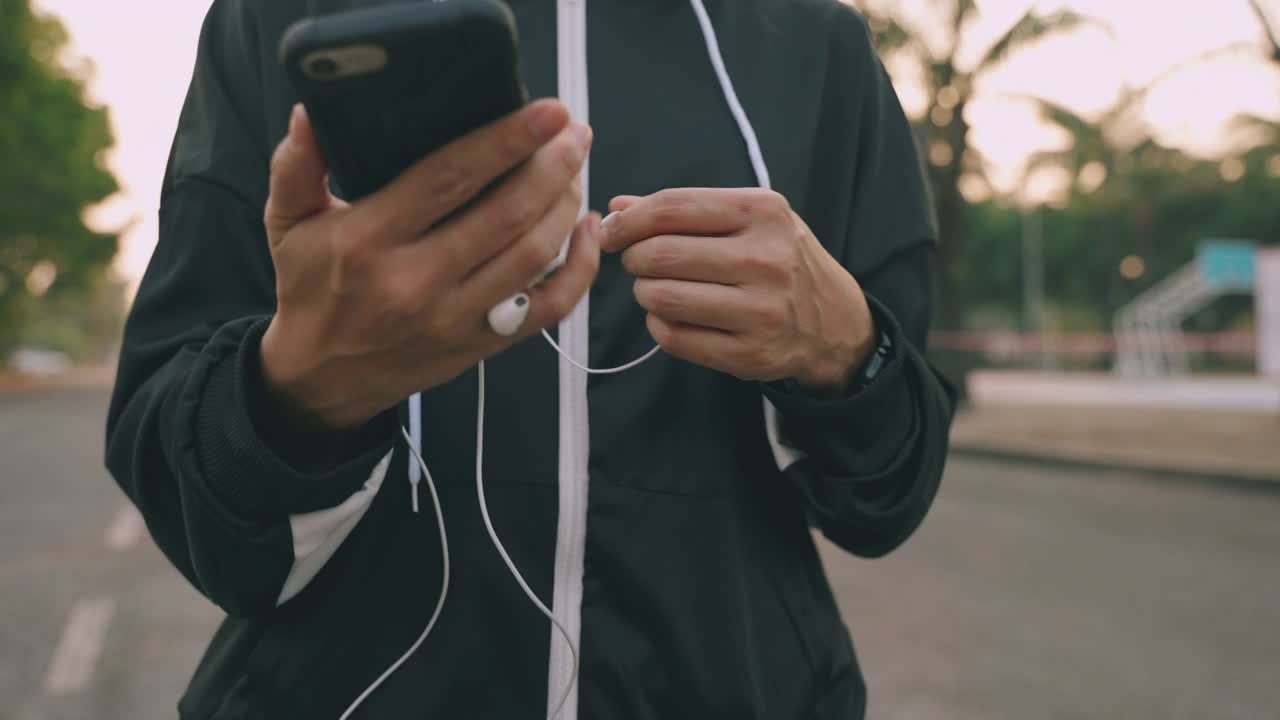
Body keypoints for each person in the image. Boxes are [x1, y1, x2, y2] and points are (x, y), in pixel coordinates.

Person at [105, 0, 956, 717]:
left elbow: (889, 495)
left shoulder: (813, 44)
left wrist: (849, 355)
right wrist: (298, 392)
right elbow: (176, 480)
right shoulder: (291, 18)